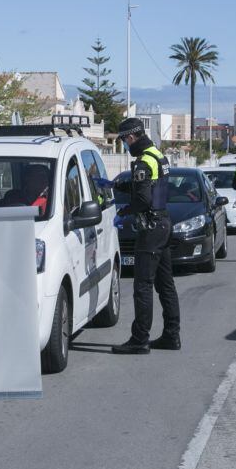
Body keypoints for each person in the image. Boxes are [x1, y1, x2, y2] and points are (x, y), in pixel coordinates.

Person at [95, 118, 180, 354]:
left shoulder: (143, 162)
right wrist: (114, 186)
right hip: (163, 223)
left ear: (131, 137)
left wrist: (124, 212)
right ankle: (172, 336)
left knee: (143, 286)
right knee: (166, 285)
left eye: (124, 140)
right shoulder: (157, 155)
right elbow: (147, 188)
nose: (124, 144)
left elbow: (143, 199)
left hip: (151, 229)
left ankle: (139, 339)